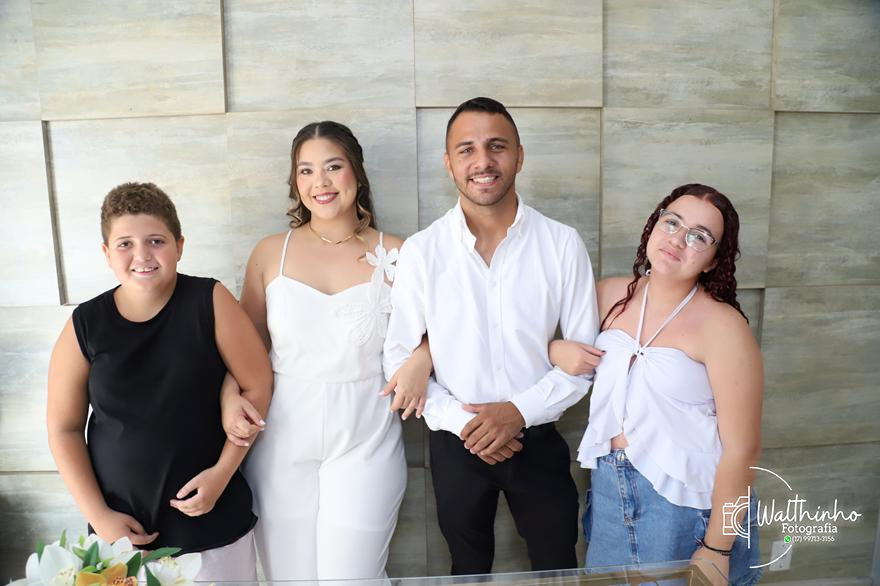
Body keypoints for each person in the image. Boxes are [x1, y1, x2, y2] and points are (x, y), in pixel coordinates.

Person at [383, 97, 599, 575]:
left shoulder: (561, 244)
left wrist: (517, 413)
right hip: (455, 443)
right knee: (467, 569)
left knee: (557, 568)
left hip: (537, 438)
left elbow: (585, 363)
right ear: (449, 163)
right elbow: (398, 359)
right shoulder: (422, 251)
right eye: (467, 149)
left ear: (519, 156)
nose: (483, 161)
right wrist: (470, 426)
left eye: (497, 146)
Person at [220, 120, 432, 581]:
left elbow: (443, 328)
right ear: (295, 182)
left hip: (366, 435)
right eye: (306, 170)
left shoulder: (400, 253)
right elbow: (245, 348)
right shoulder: (270, 253)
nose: (321, 182)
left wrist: (423, 356)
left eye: (333, 166)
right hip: (280, 435)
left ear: (357, 172)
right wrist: (228, 397)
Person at [46, 182, 272, 581]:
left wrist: (222, 473)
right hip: (123, 537)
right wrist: (100, 517)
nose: (142, 255)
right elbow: (63, 429)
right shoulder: (85, 324)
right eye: (125, 244)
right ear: (106, 253)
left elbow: (258, 384)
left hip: (213, 524)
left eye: (156, 241)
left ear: (179, 246)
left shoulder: (210, 300)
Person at [550, 184, 764, 585]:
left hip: (688, 509)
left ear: (713, 261)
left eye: (699, 236)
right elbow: (531, 337)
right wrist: (554, 348)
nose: (678, 239)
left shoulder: (724, 326)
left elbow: (742, 449)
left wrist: (717, 547)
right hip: (611, 493)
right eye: (672, 222)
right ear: (654, 226)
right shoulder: (608, 295)